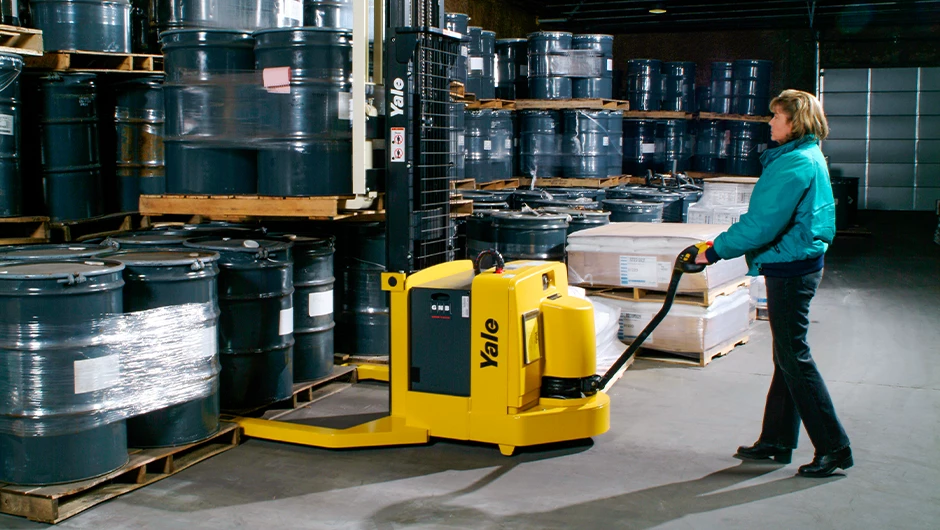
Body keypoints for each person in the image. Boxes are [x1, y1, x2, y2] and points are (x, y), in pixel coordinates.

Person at [695, 89, 852, 478]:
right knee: (787, 357)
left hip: (792, 268)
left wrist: (713, 252)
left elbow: (762, 224)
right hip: (797, 262)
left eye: (776, 116)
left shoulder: (794, 163)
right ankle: (778, 440)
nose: (770, 122)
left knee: (794, 357)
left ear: (794, 122)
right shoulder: (804, 155)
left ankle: (834, 447)